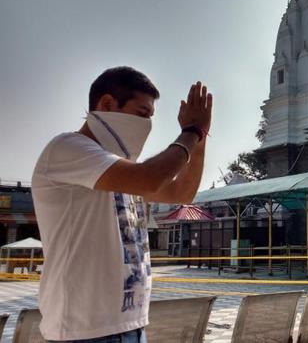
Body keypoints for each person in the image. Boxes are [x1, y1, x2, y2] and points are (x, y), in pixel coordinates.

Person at [32, 67, 213, 342]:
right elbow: (150, 179)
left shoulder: (123, 171)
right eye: (141, 114)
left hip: (130, 324)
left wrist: (199, 140)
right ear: (106, 104)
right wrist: (191, 131)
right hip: (83, 331)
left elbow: (181, 192)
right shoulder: (67, 148)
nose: (147, 125)